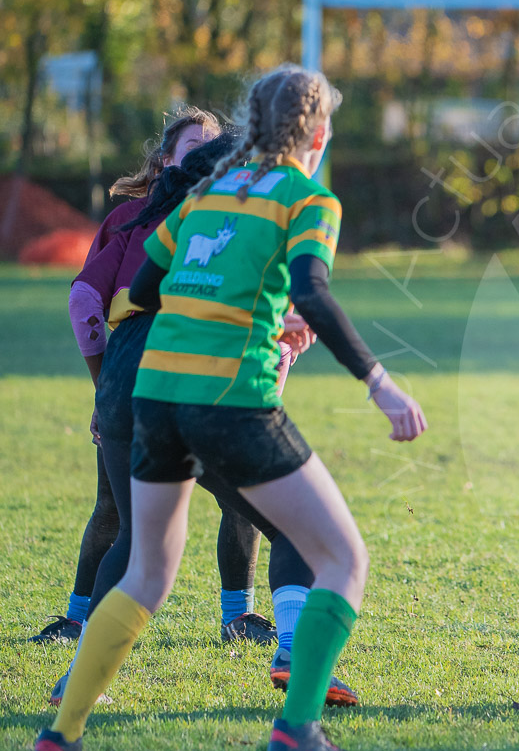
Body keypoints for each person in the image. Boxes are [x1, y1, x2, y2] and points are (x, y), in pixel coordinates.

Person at [30, 64, 425, 751]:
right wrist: (380, 382)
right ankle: (299, 732)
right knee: (344, 558)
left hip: (153, 395)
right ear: (317, 132)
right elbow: (312, 289)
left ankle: (59, 736)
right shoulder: (308, 199)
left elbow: (144, 286)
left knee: (146, 572)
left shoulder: (206, 192)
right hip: (230, 400)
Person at [47, 130, 359, 709]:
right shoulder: (248, 210)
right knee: (295, 526)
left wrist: (105, 387)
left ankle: (75, 685)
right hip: (196, 382)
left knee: (139, 544)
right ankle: (288, 650)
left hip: (125, 376)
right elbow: (290, 302)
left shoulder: (145, 217)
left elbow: (119, 295)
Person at [34, 106, 236, 644]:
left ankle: (83, 629)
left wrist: (107, 388)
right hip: (171, 384)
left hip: (133, 383)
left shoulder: (202, 219)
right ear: (165, 160)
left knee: (130, 523)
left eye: (212, 151)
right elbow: (85, 300)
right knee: (245, 502)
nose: (203, 160)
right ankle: (250, 624)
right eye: (192, 150)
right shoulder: (163, 220)